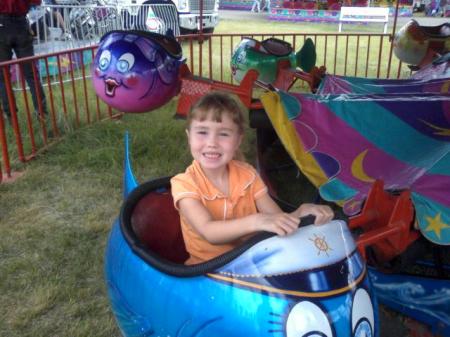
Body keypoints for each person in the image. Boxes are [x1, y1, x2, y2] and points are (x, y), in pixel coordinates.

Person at [171, 91, 334, 265]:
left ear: (238, 140)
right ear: (189, 137)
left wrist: (300, 213)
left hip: (253, 263)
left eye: (224, 134)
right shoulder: (184, 184)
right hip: (207, 272)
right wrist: (257, 221)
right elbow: (209, 231)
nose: (212, 142)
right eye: (202, 132)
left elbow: (277, 219)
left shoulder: (248, 175)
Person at [0, 0, 48, 122]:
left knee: (3, 76)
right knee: (31, 73)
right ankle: (42, 112)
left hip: (2, 25)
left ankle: (10, 115)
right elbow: (37, 2)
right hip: (21, 24)